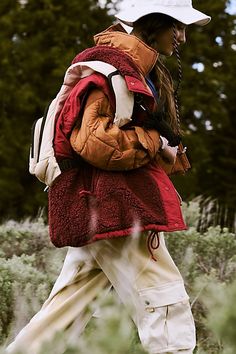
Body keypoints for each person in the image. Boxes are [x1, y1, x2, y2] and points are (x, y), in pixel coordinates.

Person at [6, 1, 210, 353]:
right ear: (153, 22)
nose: (183, 38)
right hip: (116, 204)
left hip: (95, 205)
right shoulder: (113, 71)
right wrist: (154, 140)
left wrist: (158, 146)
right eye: (177, 26)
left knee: (65, 310)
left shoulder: (123, 67)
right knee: (165, 302)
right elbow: (93, 141)